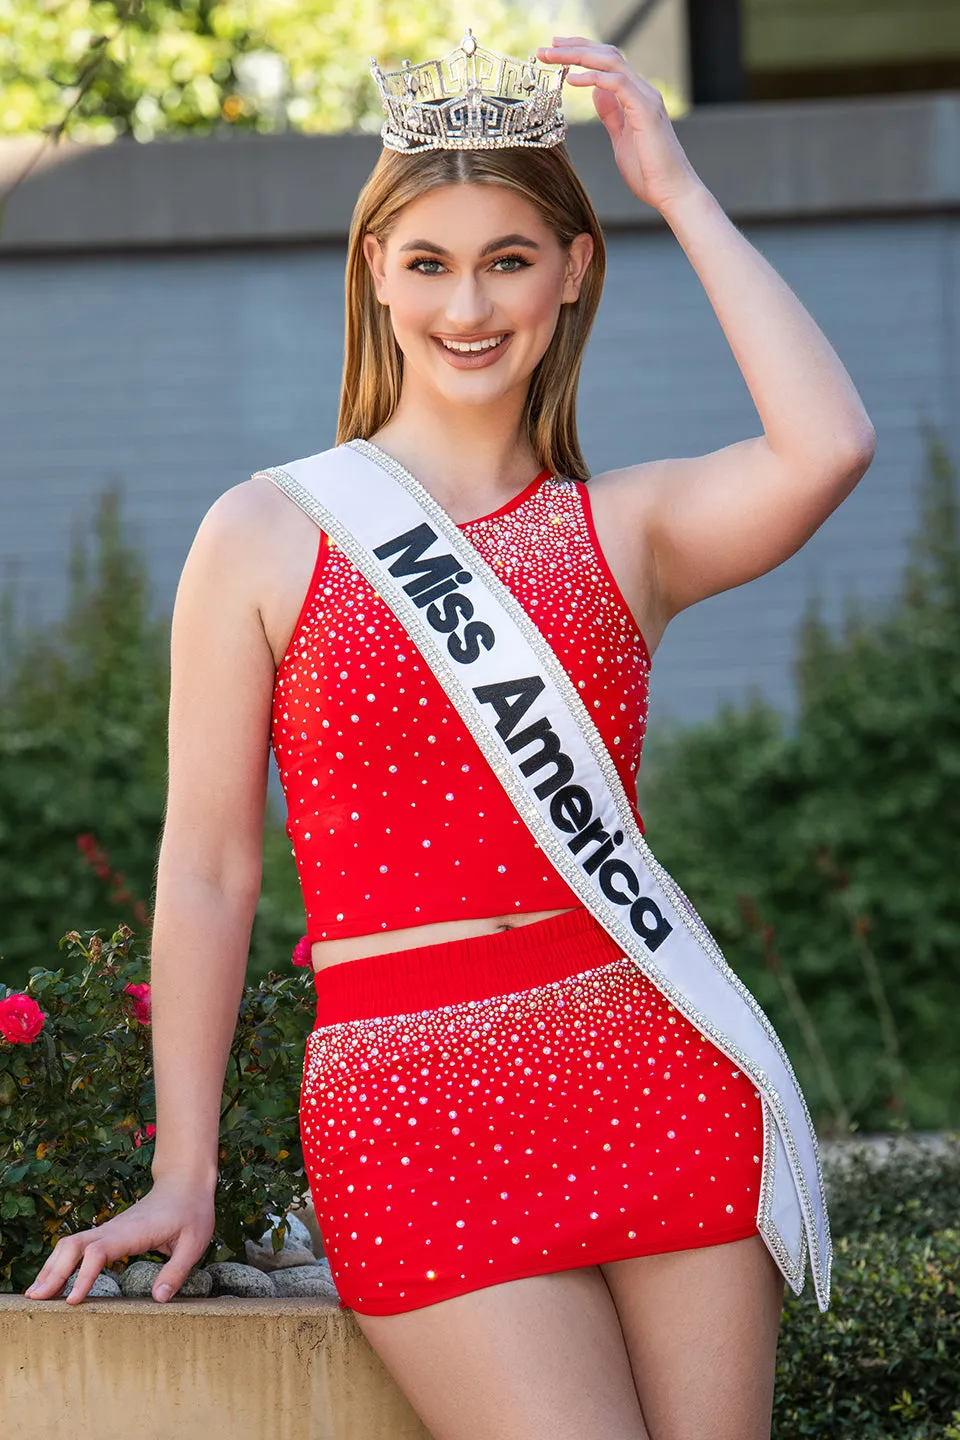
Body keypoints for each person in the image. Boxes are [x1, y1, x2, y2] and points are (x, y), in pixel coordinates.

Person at [24, 31, 874, 1440]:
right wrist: (183, 1170)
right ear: (375, 271)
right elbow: (209, 870)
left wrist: (673, 179)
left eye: (509, 259)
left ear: (572, 271)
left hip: (653, 1065)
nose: (469, 305)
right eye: (428, 261)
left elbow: (827, 445)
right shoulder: (266, 534)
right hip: (413, 1109)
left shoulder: (629, 529)